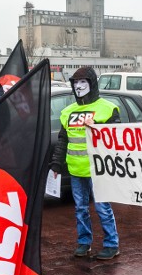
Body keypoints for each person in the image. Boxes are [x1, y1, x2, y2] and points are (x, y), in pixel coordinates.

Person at [50, 66, 122, 260]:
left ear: (92, 84)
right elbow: (63, 140)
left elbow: (116, 137)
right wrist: (56, 164)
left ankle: (112, 244)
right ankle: (84, 242)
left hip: (98, 170)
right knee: (80, 208)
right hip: (75, 169)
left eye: (83, 82)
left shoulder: (107, 108)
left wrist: (97, 127)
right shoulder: (67, 112)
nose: (79, 86)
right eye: (75, 83)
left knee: (102, 208)